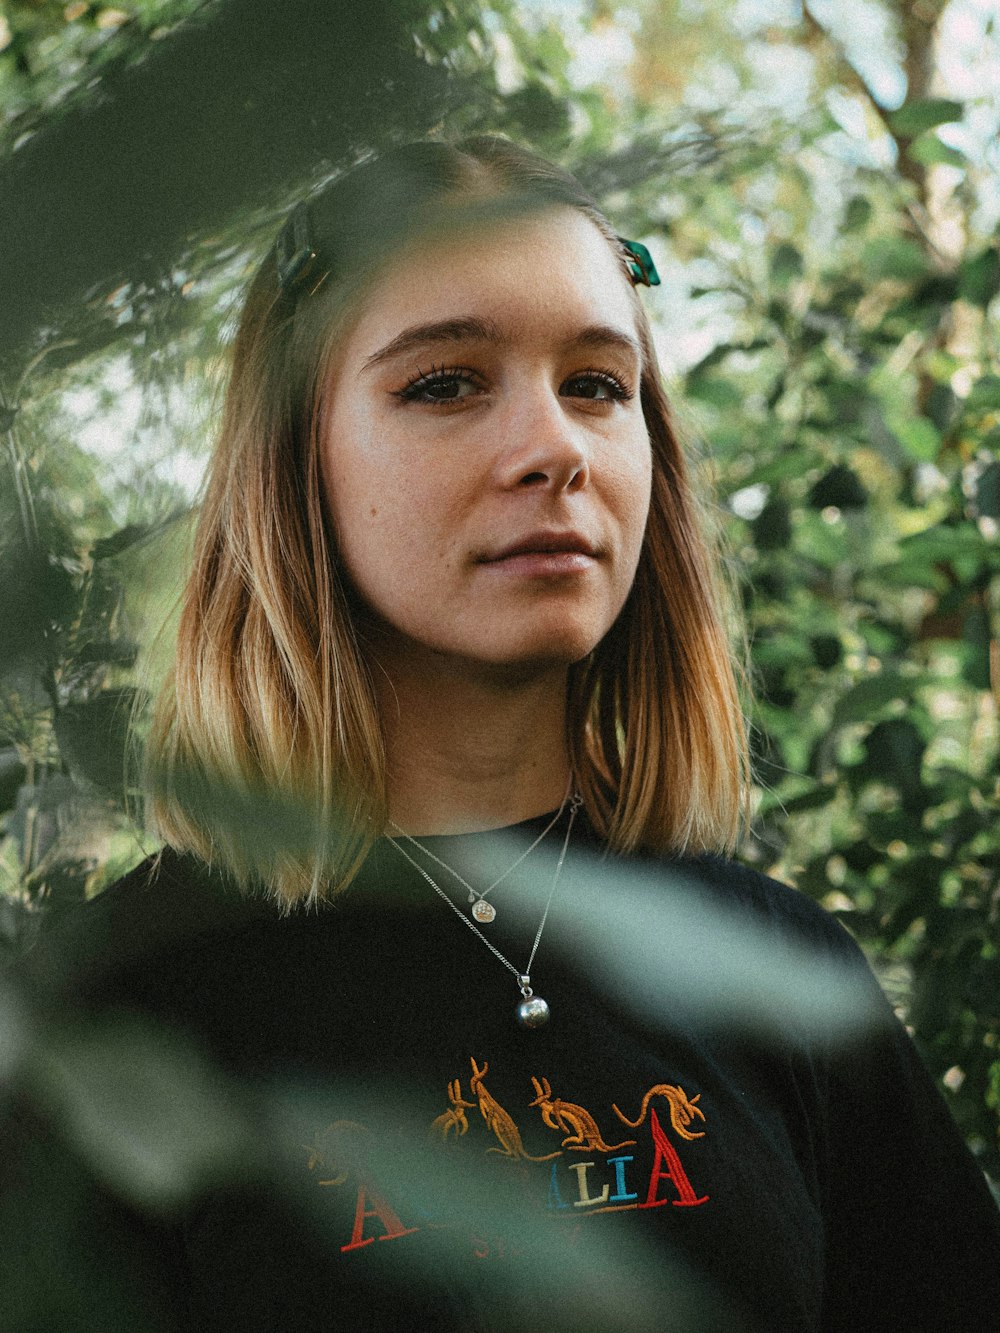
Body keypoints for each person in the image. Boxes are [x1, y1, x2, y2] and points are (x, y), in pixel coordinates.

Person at [1, 136, 997, 1332]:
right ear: (292, 463)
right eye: (445, 383)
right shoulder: (117, 1015)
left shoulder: (780, 977)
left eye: (595, 384)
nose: (556, 449)